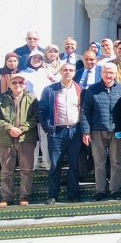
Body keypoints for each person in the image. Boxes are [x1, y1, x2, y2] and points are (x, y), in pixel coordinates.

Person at [81, 62, 121, 201]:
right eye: (106, 72)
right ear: (101, 73)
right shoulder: (92, 89)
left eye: (111, 72)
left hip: (116, 131)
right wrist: (86, 132)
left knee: (116, 162)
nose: (109, 75)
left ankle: (115, 190)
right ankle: (100, 190)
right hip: (97, 131)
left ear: (116, 74)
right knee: (99, 162)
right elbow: (85, 111)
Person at [38, 64, 82, 204]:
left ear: (74, 73)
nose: (68, 72)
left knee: (74, 165)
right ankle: (53, 195)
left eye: (71, 70)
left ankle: (73, 194)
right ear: (60, 72)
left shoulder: (80, 90)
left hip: (75, 131)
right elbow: (42, 111)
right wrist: (48, 128)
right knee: (55, 165)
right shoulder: (50, 90)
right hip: (57, 132)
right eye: (65, 70)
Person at [0, 73, 38, 207]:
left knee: (26, 169)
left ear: (25, 84)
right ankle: (6, 197)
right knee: (6, 170)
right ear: (9, 84)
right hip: (6, 139)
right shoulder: (2, 99)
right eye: (14, 82)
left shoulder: (32, 98)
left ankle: (25, 195)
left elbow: (36, 117)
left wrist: (22, 129)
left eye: (21, 82)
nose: (18, 85)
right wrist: (10, 128)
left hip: (26, 138)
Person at [0, 53, 21, 170]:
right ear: (6, 61)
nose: (12, 63)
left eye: (15, 61)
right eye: (10, 61)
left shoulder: (20, 73)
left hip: (14, 109)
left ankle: (14, 163)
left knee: (14, 135)